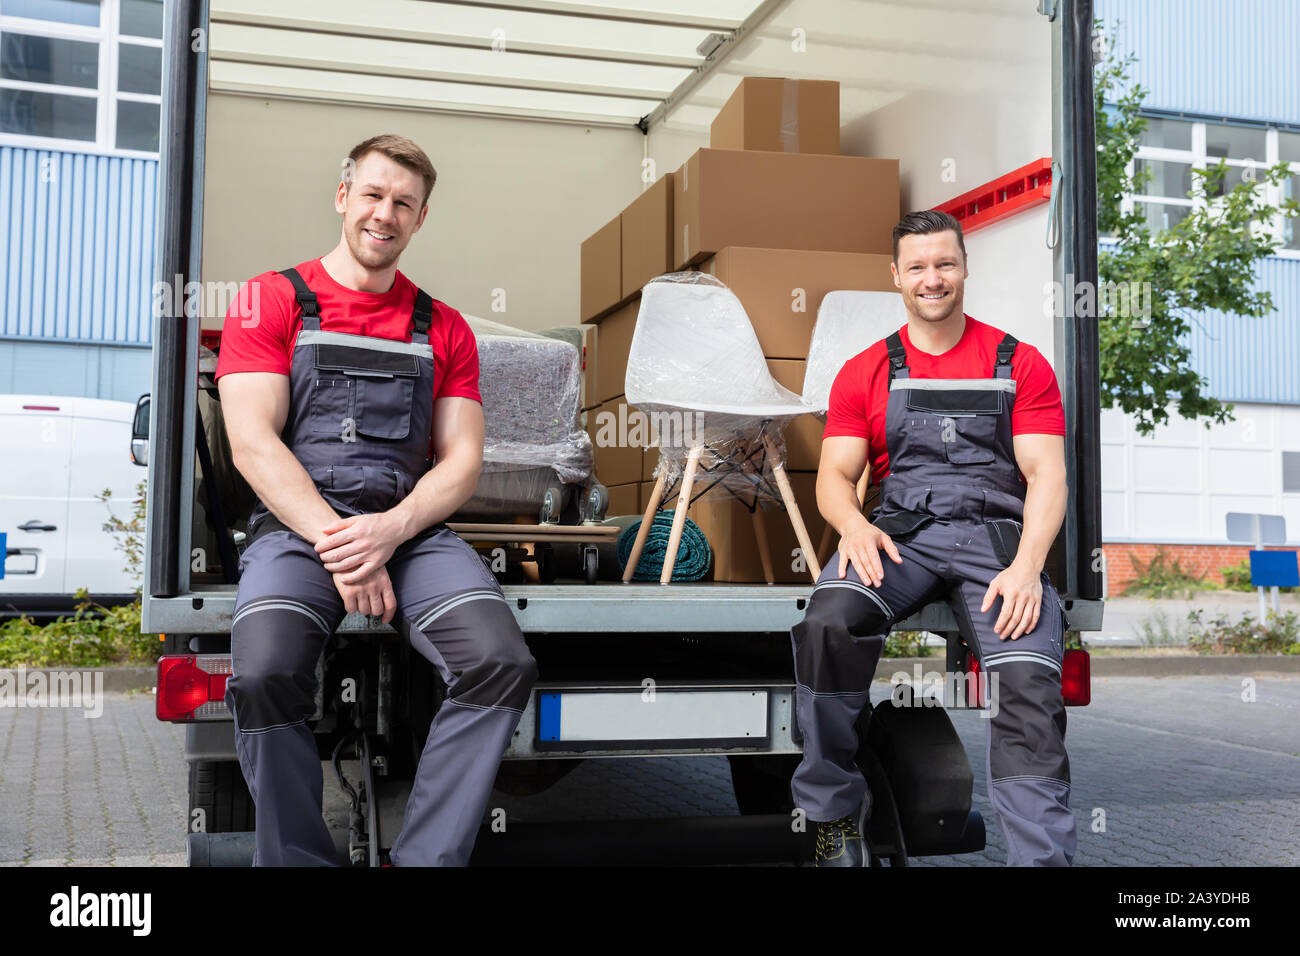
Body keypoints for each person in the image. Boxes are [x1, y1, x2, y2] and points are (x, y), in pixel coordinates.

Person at [214, 133, 537, 866]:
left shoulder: (443, 326)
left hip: (412, 530)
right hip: (299, 530)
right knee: (264, 675)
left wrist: (390, 532)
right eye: (373, 194)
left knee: (499, 662)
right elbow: (253, 446)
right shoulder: (272, 299)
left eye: (404, 203)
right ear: (343, 196)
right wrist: (345, 545)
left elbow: (461, 461)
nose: (384, 214)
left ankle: (424, 858)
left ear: (420, 219)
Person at [792, 209, 1076, 866]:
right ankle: (831, 824)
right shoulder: (866, 369)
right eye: (917, 266)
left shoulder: (1019, 363)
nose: (933, 278)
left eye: (945, 263)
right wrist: (854, 525)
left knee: (1028, 682)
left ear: (965, 268)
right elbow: (835, 475)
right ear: (896, 276)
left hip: (996, 538)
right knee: (829, 623)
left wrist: (1029, 566)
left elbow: (1047, 474)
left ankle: (1041, 861)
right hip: (900, 535)